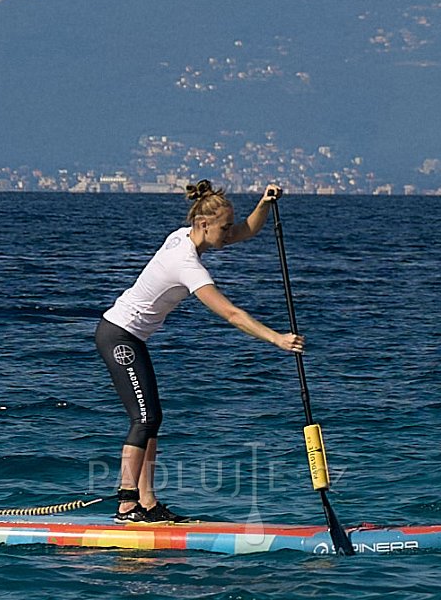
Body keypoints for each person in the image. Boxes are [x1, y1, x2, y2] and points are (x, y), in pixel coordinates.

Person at [95, 180, 304, 523]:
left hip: (131, 337)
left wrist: (264, 203)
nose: (228, 234)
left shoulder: (185, 235)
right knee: (144, 419)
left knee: (153, 418)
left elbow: (246, 231)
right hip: (118, 335)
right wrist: (276, 338)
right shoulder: (186, 263)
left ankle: (147, 504)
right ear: (204, 225)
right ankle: (127, 504)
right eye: (223, 227)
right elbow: (231, 314)